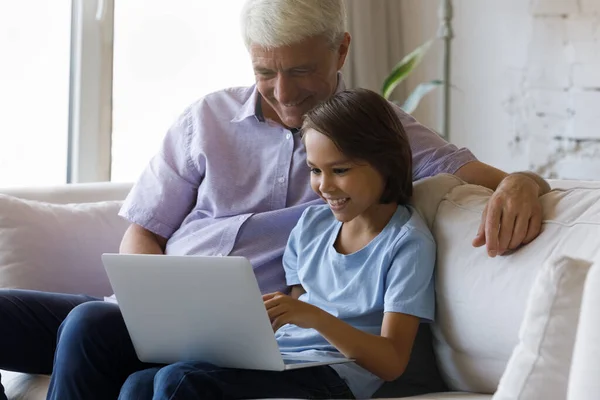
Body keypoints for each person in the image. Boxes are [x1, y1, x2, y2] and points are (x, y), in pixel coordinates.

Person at [0, 1, 550, 399]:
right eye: (266, 72)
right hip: (151, 318)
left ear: (341, 49)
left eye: (301, 70)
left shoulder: (375, 134)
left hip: (250, 335)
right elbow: (145, 230)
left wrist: (526, 181)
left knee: (87, 328)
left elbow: (488, 175)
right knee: (59, 319)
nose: (283, 92)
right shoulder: (206, 119)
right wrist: (158, 310)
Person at [118, 88, 436, 400]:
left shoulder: (407, 244)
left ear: (387, 162)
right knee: (139, 383)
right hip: (284, 362)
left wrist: (314, 317)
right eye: (314, 170)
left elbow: (392, 362)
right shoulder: (311, 225)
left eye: (340, 170)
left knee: (180, 380)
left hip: (335, 376)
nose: (324, 186)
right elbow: (293, 325)